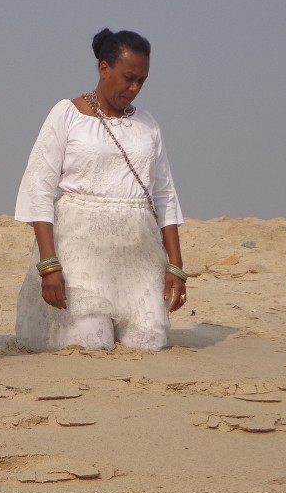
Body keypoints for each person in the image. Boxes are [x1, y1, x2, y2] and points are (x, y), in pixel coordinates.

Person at [13, 28, 186, 352]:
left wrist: (175, 266)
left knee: (148, 341)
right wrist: (49, 264)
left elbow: (164, 195)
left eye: (142, 81)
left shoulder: (148, 125)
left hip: (138, 256)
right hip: (80, 251)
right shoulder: (66, 115)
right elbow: (39, 188)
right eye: (128, 77)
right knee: (91, 341)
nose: (134, 88)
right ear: (104, 68)